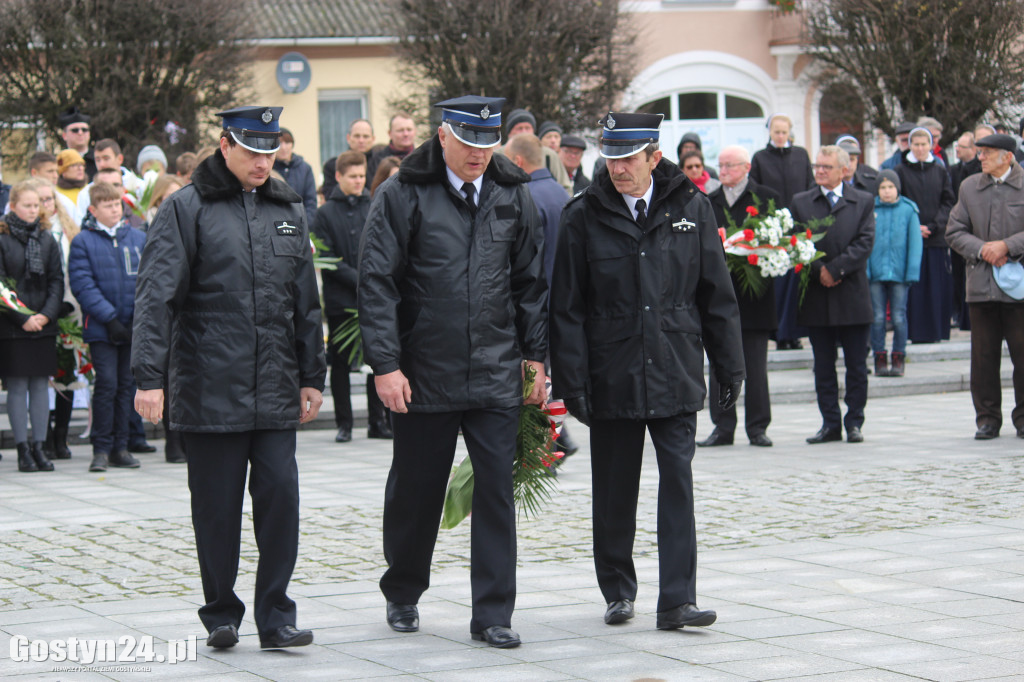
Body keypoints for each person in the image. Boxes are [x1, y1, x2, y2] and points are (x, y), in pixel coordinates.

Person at [132, 105, 326, 650]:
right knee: (216, 510)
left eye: (271, 152)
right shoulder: (185, 210)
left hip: (276, 387)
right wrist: (150, 377)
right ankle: (221, 611)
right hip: (209, 385)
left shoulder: (288, 210)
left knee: (281, 501)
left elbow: (305, 302)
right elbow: (156, 298)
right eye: (253, 151)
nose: (264, 162)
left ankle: (276, 616)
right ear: (225, 145)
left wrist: (312, 373)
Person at [358, 95, 547, 649]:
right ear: (443, 136)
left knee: (495, 493)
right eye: (467, 142)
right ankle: (404, 590)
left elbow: (530, 284)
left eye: (487, 145)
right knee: (417, 491)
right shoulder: (403, 193)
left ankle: (492, 613)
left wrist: (534, 359)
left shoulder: (513, 195)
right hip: (424, 372)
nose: (477, 155)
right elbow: (377, 284)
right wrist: (386, 365)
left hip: (494, 371)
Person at [549, 111, 744, 632]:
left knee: (677, 483)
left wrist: (730, 368)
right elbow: (565, 308)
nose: (617, 170)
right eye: (610, 159)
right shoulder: (582, 215)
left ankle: (678, 600)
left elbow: (716, 295)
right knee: (615, 489)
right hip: (611, 371)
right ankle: (617, 589)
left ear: (654, 158)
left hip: (675, 366)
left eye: (628, 159)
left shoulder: (692, 207)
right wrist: (572, 381)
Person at [791, 145, 875, 444]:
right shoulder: (802, 202)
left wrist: (836, 270)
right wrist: (819, 271)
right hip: (818, 295)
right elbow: (797, 241)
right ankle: (830, 423)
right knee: (823, 366)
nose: (820, 171)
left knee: (856, 365)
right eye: (817, 166)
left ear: (844, 169)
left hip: (852, 293)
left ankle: (854, 422)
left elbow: (864, 243)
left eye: (826, 167)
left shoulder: (863, 201)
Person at [701, 145, 782, 447]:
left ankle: (758, 427)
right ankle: (722, 427)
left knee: (755, 368)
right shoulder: (709, 201)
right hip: (719, 299)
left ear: (746, 167)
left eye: (729, 166)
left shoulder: (766, 198)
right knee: (720, 364)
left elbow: (779, 240)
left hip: (755, 297)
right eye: (720, 166)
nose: (722, 172)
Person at [946, 134, 1024, 440]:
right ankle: (987, 419)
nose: (981, 158)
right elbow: (954, 230)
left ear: (1007, 156)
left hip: (1019, 288)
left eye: (987, 153)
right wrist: (983, 249)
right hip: (981, 286)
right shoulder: (970, 187)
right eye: (980, 152)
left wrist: (1007, 245)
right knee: (983, 357)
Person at [69, 182, 148, 473]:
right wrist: (110, 318)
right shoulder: (83, 241)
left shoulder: (137, 238)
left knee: (127, 386)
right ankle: (101, 449)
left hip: (132, 327)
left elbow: (146, 281)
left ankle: (121, 447)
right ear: (93, 210)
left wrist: (135, 319)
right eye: (108, 205)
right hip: (103, 328)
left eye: (118, 204)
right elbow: (83, 284)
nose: (115, 209)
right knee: (107, 385)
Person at [313, 150, 391, 442]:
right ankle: (344, 423)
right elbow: (326, 258)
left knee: (375, 360)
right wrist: (360, 279)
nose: (359, 182)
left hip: (371, 300)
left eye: (362, 176)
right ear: (338, 177)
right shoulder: (324, 213)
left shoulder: (372, 206)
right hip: (341, 301)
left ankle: (377, 421)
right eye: (353, 177)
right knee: (342, 363)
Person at [0, 181, 64, 472]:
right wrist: (23, 316)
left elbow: (56, 281)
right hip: (13, 324)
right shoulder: (2, 237)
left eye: (36, 205)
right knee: (17, 386)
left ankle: (40, 447)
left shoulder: (47, 238)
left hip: (42, 323)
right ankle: (22, 448)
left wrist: (45, 315)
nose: (32, 210)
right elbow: (1, 284)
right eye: (26, 205)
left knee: (40, 386)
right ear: (12, 206)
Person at [750, 113, 815, 350]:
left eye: (783, 132)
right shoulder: (760, 158)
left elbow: (810, 185)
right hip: (772, 229)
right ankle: (778, 334)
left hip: (798, 227)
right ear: (769, 132)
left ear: (789, 132)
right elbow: (756, 191)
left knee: (796, 282)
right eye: (776, 131)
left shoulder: (800, 155)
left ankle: (794, 333)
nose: (780, 136)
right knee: (777, 281)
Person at [26, 178, 80, 460]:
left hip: (67, 308)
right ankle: (42, 436)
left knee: (65, 374)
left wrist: (67, 304)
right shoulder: (33, 233)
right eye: (40, 200)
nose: (47, 205)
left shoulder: (68, 228)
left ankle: (61, 437)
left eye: (50, 199)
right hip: (37, 310)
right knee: (38, 379)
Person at [896, 127, 955, 344]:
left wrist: (935, 225)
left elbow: (948, 201)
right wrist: (914, 226)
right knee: (915, 287)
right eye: (916, 144)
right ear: (910, 145)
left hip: (936, 237)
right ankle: (916, 332)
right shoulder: (900, 171)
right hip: (911, 239)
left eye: (924, 144)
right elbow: (898, 201)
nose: (920, 149)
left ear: (931, 146)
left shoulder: (940, 171)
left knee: (936, 286)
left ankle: (938, 331)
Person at [867, 170, 922, 378]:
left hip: (899, 273)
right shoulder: (870, 209)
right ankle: (879, 357)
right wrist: (867, 270)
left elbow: (915, 244)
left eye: (891, 187)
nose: (887, 191)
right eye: (883, 187)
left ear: (897, 188)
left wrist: (911, 271)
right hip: (876, 273)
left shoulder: (908, 210)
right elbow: (865, 241)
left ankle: (899, 357)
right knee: (878, 317)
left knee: (899, 316)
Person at [502, 108, 573, 195]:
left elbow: (565, 187)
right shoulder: (498, 155)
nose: (524, 132)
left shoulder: (549, 155)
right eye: (519, 128)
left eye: (527, 128)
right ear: (509, 133)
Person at [950, 132, 981, 329]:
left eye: (961, 146)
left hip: (977, 230)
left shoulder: (979, 170)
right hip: (959, 227)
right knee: (958, 275)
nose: (957, 150)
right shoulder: (953, 171)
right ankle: (960, 314)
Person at [273, 128, 318, 226]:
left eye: (287, 142)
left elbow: (311, 200)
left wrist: (306, 225)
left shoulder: (305, 168)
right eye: (279, 143)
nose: (284, 147)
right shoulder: (269, 168)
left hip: (301, 223)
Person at [322, 119, 376, 199]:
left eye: (366, 136)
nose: (361, 140)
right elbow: (330, 195)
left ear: (373, 139)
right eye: (357, 136)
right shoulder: (333, 166)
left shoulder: (380, 164)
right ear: (348, 138)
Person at [366, 113, 417, 183]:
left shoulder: (423, 159)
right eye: (400, 130)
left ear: (415, 131)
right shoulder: (376, 160)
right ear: (390, 133)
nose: (406, 134)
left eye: (409, 129)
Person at [58, 107, 97, 180]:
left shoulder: (98, 160)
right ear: (64, 135)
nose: (80, 133)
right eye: (75, 130)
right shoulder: (59, 162)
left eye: (84, 130)